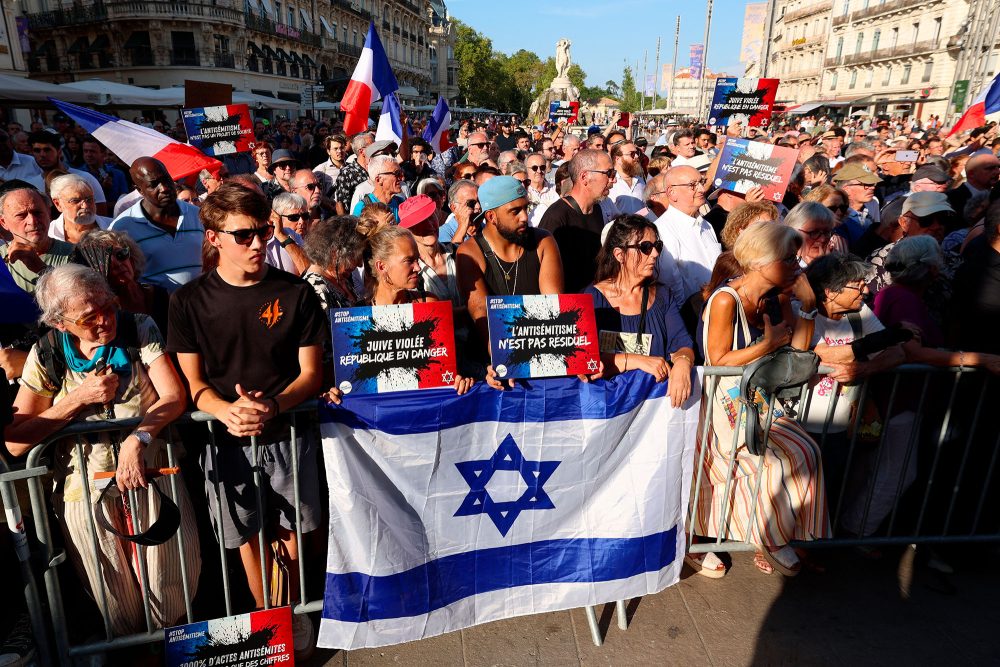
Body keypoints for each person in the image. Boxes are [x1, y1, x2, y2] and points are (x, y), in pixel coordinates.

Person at [167, 184, 326, 651]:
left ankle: (293, 617)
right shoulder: (188, 301)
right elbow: (192, 385)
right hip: (224, 441)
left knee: (291, 531)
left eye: (262, 232)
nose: (257, 243)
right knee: (245, 539)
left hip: (287, 431)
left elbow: (311, 373)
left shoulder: (296, 292)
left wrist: (273, 406)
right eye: (243, 235)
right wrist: (226, 411)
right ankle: (269, 622)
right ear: (214, 238)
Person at [5, 264, 200, 636]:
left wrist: (138, 437)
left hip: (152, 472)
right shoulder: (47, 352)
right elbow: (16, 441)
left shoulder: (138, 327)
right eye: (88, 317)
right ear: (61, 323)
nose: (104, 320)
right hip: (84, 487)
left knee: (173, 577)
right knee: (113, 595)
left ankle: (170, 651)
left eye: (107, 306)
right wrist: (76, 400)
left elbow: (173, 396)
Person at [697, 221, 830, 576]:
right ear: (760, 260)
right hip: (723, 408)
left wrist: (809, 304)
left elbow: (797, 354)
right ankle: (768, 539)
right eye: (788, 259)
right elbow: (717, 359)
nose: (796, 266)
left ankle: (785, 535)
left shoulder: (776, 298)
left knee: (808, 451)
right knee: (772, 464)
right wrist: (767, 344)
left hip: (759, 400)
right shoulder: (726, 299)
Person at [585, 215, 695, 408]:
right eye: (645, 248)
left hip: (652, 413)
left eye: (657, 246)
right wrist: (636, 361)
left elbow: (682, 344)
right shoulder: (592, 299)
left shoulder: (662, 295)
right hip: (605, 410)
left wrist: (683, 363)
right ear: (620, 255)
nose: (654, 254)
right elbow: (584, 362)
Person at [457, 176, 563, 363]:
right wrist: (502, 359)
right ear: (491, 216)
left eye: (526, 208)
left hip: (541, 347)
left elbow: (553, 306)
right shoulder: (470, 252)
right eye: (515, 211)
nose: (524, 217)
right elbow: (481, 314)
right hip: (491, 356)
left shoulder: (543, 241)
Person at [109, 157, 204, 292]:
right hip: (157, 310)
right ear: (140, 190)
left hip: (203, 305)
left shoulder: (199, 215)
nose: (164, 188)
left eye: (166, 179)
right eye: (154, 184)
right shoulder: (122, 227)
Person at [538, 149, 611, 292]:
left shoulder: (598, 209)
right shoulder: (556, 217)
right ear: (584, 177)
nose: (613, 179)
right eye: (608, 173)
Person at [75, 229, 171, 334]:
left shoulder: (164, 296)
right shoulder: (104, 314)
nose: (118, 264)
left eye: (121, 254)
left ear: (131, 257)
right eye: (107, 261)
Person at [655, 166, 722, 311]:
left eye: (702, 182)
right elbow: (670, 283)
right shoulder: (663, 229)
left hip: (718, 307)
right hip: (692, 314)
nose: (702, 189)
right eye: (692, 185)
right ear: (672, 193)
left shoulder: (706, 225)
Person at [0, 185, 74, 292]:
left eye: (37, 213)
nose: (32, 221)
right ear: (3, 222)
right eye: (21, 215)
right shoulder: (1, 260)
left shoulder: (76, 254)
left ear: (48, 213)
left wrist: (40, 268)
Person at [29, 131, 108, 216]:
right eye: (37, 151)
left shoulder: (85, 178)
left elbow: (102, 217)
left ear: (59, 151)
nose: (42, 155)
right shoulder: (31, 186)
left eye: (47, 150)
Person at [399, 194, 460, 304]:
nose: (429, 226)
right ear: (409, 231)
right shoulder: (408, 270)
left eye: (430, 217)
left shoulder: (459, 253)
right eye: (419, 223)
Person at [302, 215, 364, 311]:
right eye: (355, 257)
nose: (360, 264)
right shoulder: (317, 288)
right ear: (335, 253)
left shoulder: (339, 278)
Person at [46, 173, 110, 243]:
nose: (85, 206)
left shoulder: (114, 226)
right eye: (75, 201)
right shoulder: (48, 234)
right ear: (58, 204)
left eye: (89, 199)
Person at [266, 192, 311, 275]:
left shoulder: (313, 239)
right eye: (294, 217)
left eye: (305, 216)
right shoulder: (267, 245)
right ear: (276, 218)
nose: (302, 222)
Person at [782, 201, 838, 266]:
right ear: (793, 232)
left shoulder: (838, 264)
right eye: (814, 232)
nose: (823, 239)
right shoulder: (781, 269)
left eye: (827, 232)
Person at [351, 154, 405, 220]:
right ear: (379, 179)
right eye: (397, 174)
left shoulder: (401, 203)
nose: (402, 178)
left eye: (401, 173)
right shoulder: (362, 207)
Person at [608, 142, 646, 215]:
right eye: (632, 154)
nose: (637, 156)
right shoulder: (608, 182)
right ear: (618, 159)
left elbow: (644, 208)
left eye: (637, 153)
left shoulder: (640, 180)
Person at [438, 179, 480, 244]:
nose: (478, 206)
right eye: (471, 203)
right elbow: (451, 254)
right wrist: (462, 228)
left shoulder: (486, 228)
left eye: (480, 201)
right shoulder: (443, 233)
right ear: (454, 208)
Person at [525, 152, 559, 225]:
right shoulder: (523, 192)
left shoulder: (555, 189)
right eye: (534, 168)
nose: (539, 171)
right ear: (526, 170)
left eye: (542, 167)